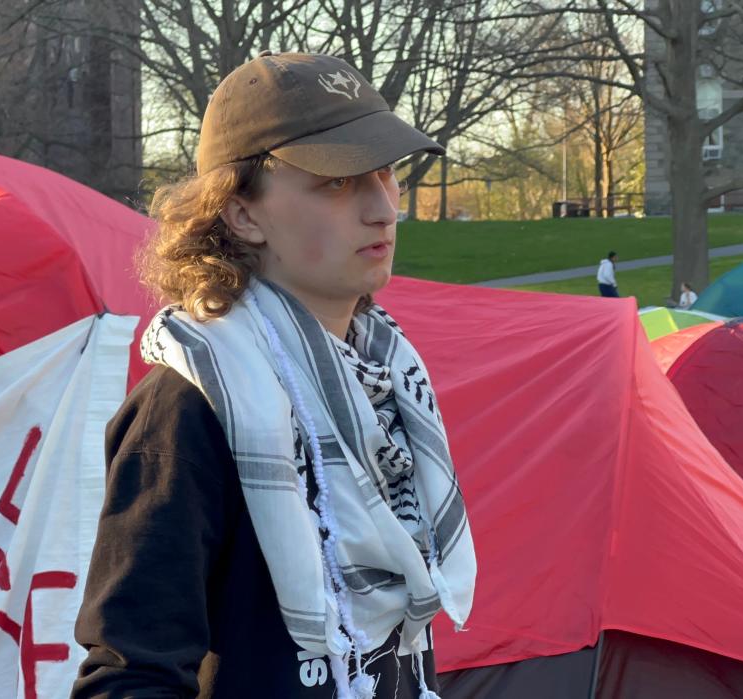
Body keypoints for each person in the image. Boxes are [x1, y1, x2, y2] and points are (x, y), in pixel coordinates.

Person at [71, 52, 476, 699]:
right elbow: (131, 678)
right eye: (336, 183)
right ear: (241, 212)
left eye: (386, 173)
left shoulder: (387, 382)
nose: (383, 208)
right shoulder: (190, 407)